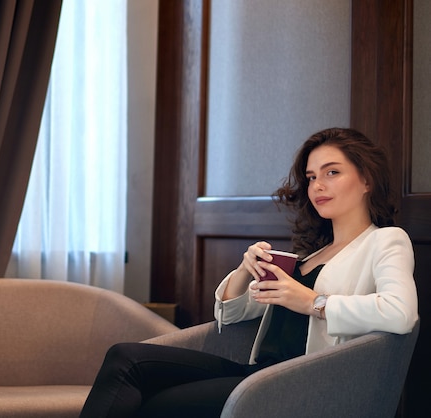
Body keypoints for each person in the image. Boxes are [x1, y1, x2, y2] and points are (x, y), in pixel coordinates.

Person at [79, 127, 419, 418]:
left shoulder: (386, 240)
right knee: (126, 357)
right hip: (257, 370)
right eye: (312, 176)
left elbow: (400, 313)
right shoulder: (310, 255)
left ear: (366, 180)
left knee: (156, 404)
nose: (317, 185)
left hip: (300, 379)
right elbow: (231, 314)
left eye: (332, 173)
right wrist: (245, 269)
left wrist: (313, 302)